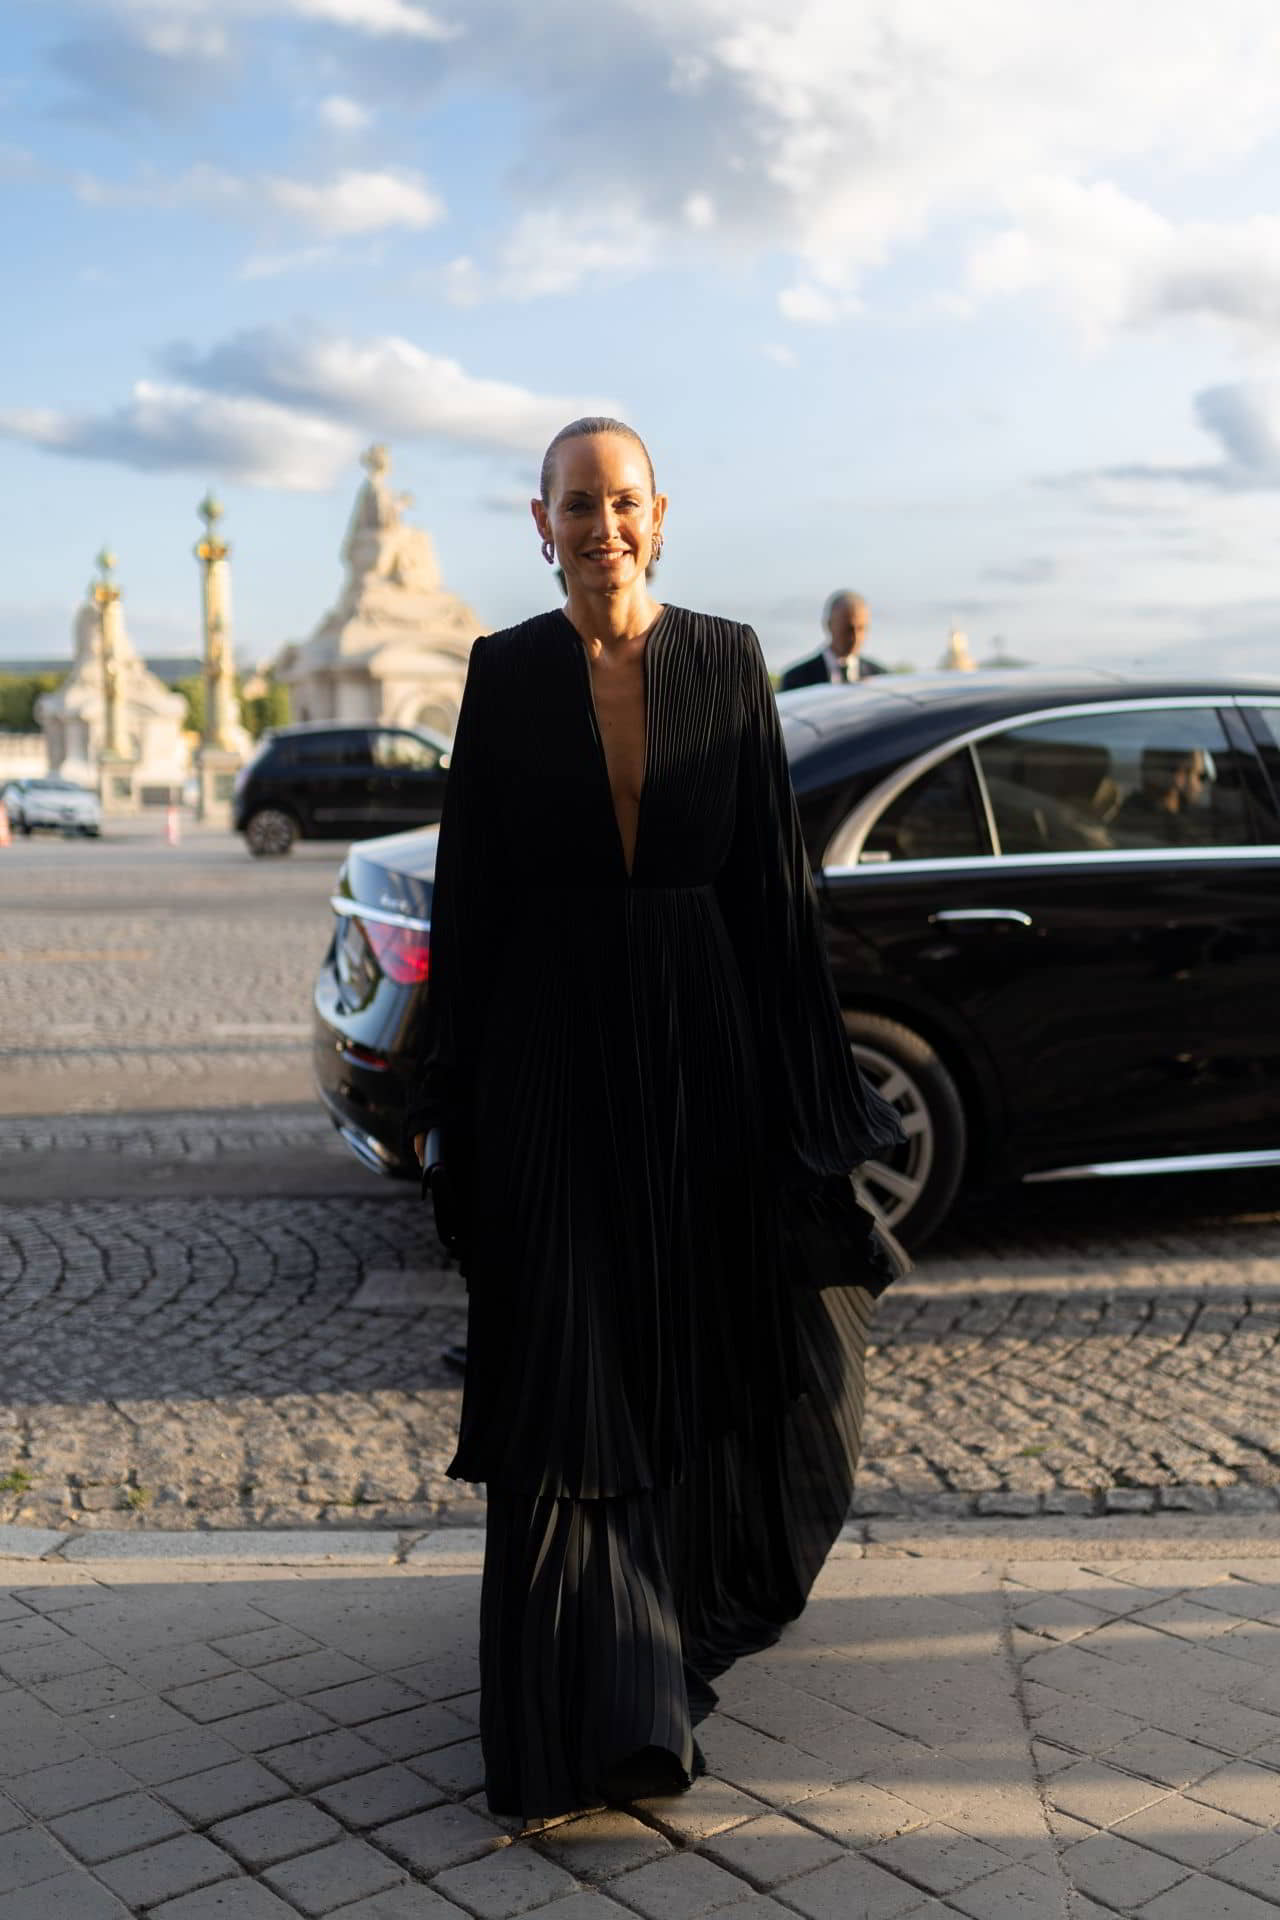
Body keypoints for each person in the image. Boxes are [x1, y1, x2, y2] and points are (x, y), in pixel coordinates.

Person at [407, 417, 904, 1824]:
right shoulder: (504, 674)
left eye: (622, 501)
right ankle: (583, 1708)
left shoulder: (730, 659)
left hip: (701, 1052)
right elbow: (474, 892)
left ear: (661, 516)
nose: (601, 524)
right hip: (549, 1058)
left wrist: (803, 1098)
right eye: (578, 504)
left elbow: (770, 893)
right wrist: (456, 1101)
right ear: (540, 520)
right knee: (574, 1354)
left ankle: (657, 1652)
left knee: (682, 1344)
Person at [779, 590, 886, 689]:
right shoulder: (796, 680)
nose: (855, 636)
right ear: (829, 625)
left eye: (861, 628)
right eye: (848, 628)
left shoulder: (881, 678)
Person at [1114, 746, 1211, 846]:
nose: (1200, 785)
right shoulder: (1136, 823)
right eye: (1200, 776)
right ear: (1180, 775)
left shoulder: (1124, 815)